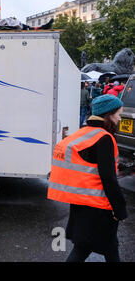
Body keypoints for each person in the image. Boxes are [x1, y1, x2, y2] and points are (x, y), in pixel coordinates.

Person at [48, 95, 127, 262]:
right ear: (109, 114)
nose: (120, 118)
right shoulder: (104, 138)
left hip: (81, 204)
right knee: (98, 247)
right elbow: (109, 180)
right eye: (118, 114)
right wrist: (119, 209)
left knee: (90, 246)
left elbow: (90, 164)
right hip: (99, 207)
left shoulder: (84, 133)